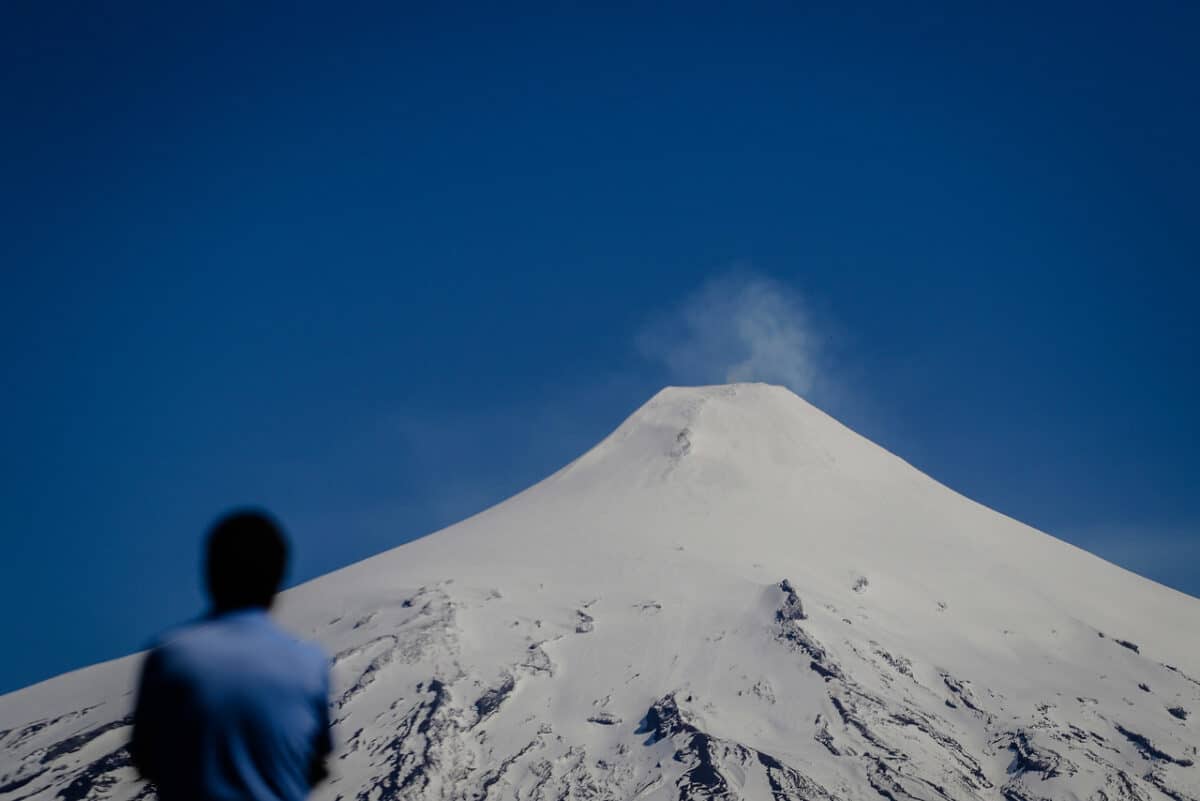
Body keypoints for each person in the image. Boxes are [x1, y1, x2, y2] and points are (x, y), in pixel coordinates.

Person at [130, 509, 332, 801]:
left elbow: (146, 757)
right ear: (278, 579)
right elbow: (314, 760)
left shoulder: (171, 657)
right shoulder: (309, 665)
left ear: (210, 573)